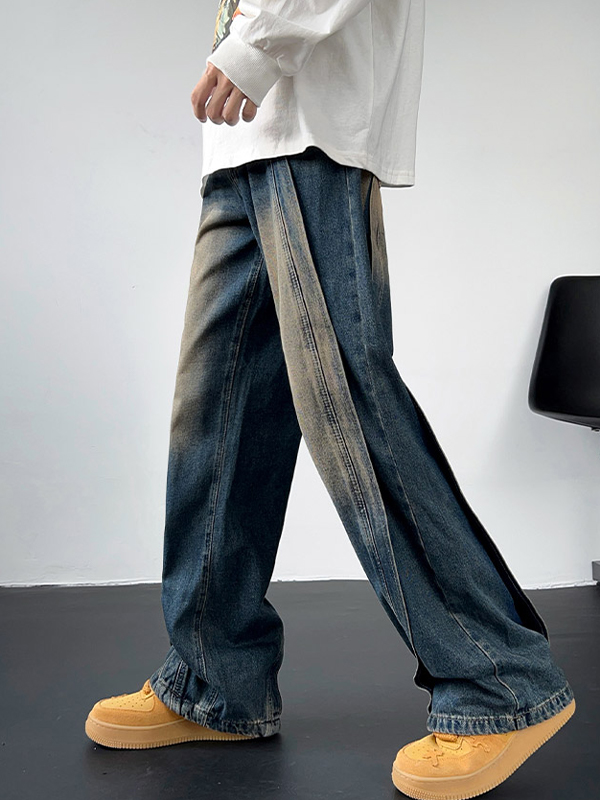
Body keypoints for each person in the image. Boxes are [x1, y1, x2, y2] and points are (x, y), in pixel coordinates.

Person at [84, 2, 576, 797]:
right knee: (214, 416)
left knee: (346, 402)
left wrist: (256, 43)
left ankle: (501, 680)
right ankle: (215, 681)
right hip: (242, 144)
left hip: (307, 122)